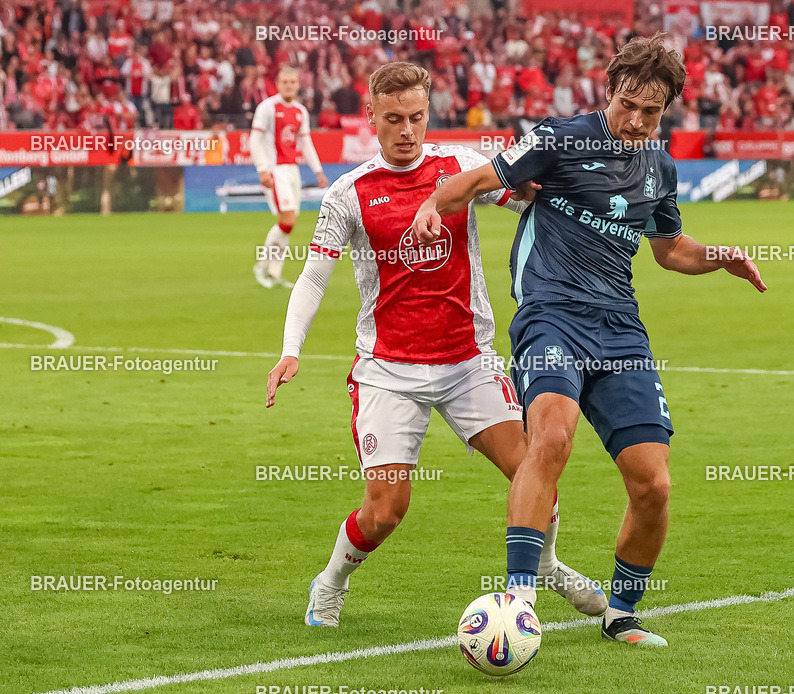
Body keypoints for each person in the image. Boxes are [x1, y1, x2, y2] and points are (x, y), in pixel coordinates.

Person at [412, 35, 766, 647]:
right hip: (551, 314)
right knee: (551, 436)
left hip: (619, 326)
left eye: (649, 112)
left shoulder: (659, 167)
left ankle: (621, 612)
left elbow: (669, 250)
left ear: (666, 112)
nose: (634, 121)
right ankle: (519, 599)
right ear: (609, 92)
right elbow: (474, 181)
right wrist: (430, 207)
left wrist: (718, 257)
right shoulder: (559, 139)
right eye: (627, 104)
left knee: (653, 483)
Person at [264, 62, 607, 628]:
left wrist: (533, 190)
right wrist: (290, 348)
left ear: (429, 114)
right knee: (385, 513)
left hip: (468, 360)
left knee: (536, 465)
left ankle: (546, 564)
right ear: (371, 117)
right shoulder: (347, 194)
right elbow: (314, 277)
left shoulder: (461, 166)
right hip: (387, 369)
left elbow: (525, 201)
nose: (407, 130)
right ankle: (331, 581)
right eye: (394, 119)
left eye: (417, 117)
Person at [250, 67, 328, 289]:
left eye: (293, 82)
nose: (289, 86)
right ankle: (261, 267)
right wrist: (262, 168)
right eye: (285, 82)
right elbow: (255, 140)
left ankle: (274, 273)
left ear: (298, 84)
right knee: (287, 221)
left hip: (292, 170)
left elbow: (306, 142)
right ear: (277, 83)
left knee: (288, 224)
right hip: (276, 170)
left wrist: (317, 170)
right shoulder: (266, 108)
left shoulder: (300, 111)